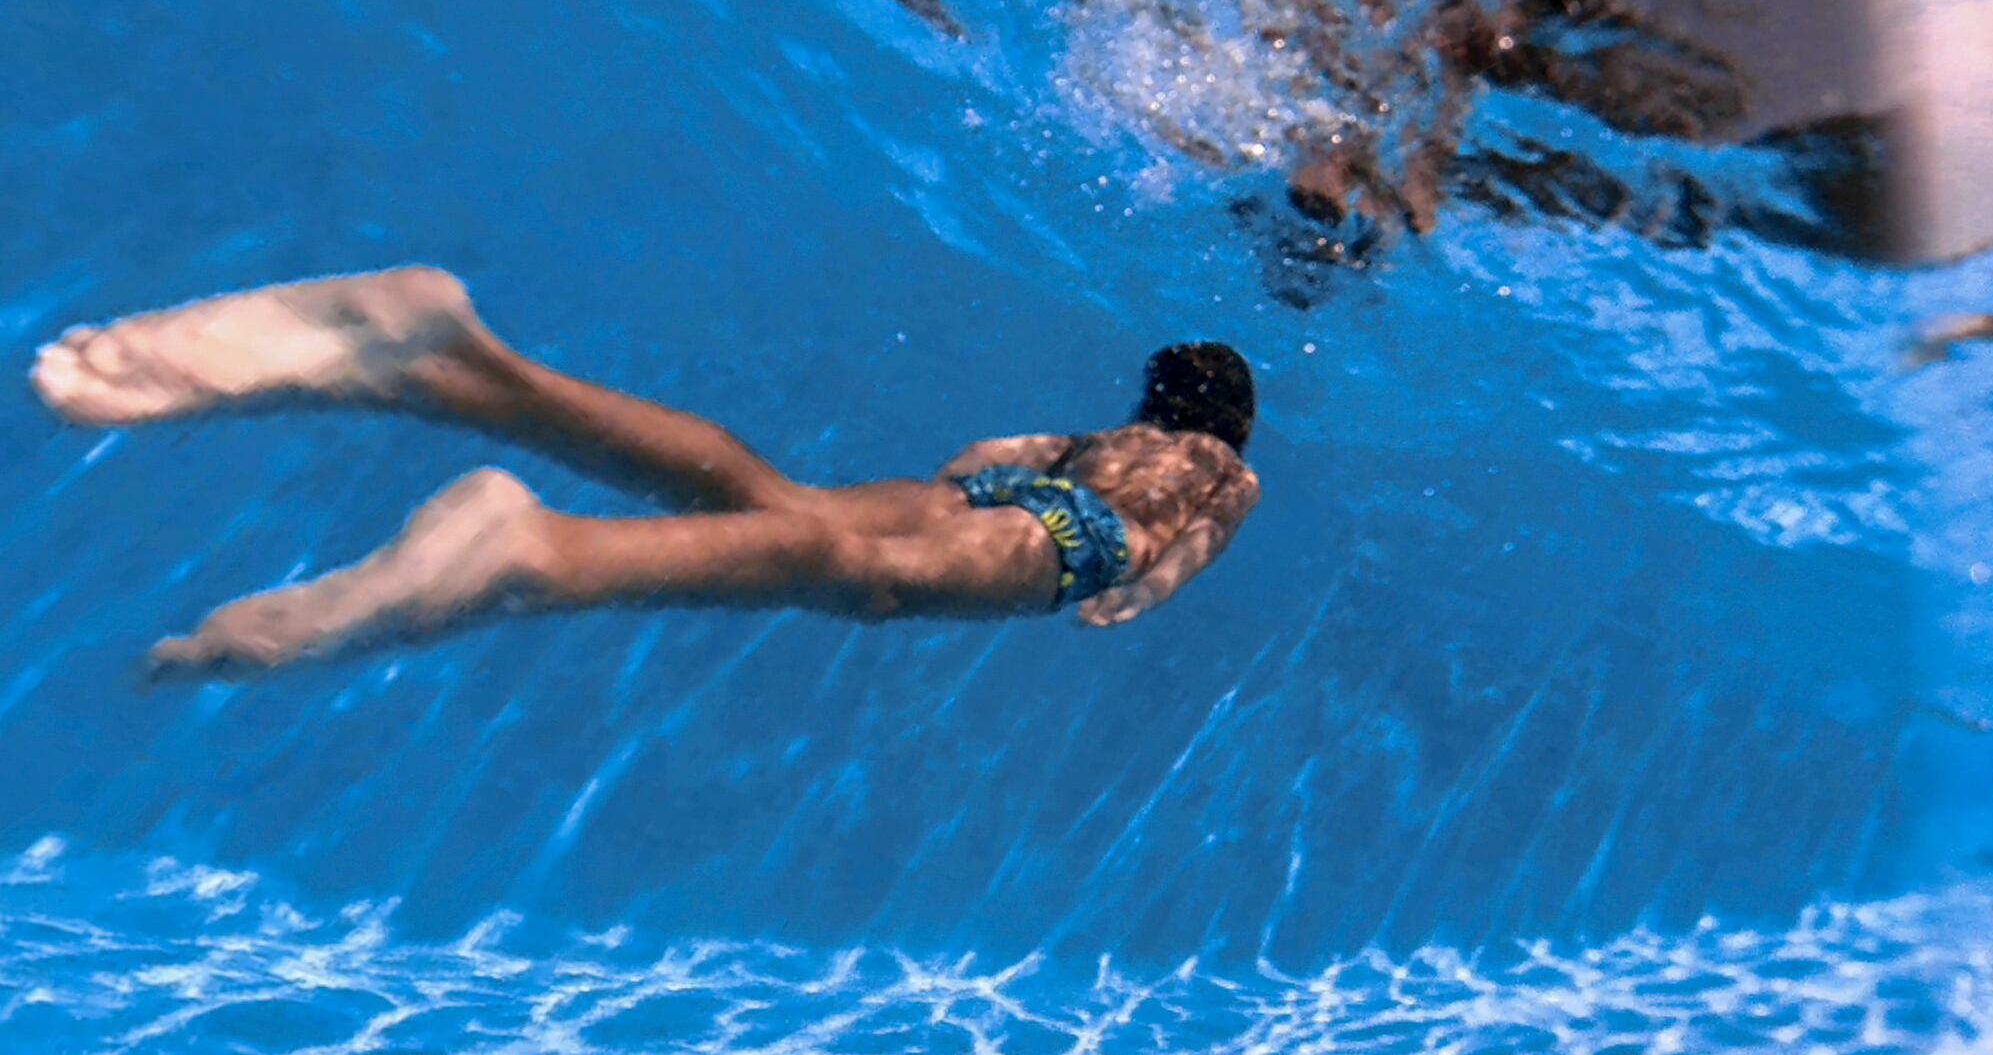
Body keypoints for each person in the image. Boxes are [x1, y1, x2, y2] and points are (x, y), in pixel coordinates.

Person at [27, 269, 1259, 679]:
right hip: (1077, 540)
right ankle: (546, 554)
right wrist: (1125, 592)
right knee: (856, 583)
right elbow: (1189, 545)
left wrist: (963, 504)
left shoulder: (1102, 433)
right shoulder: (1222, 470)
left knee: (778, 499)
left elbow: (980, 459)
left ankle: (454, 366)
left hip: (997, 499)